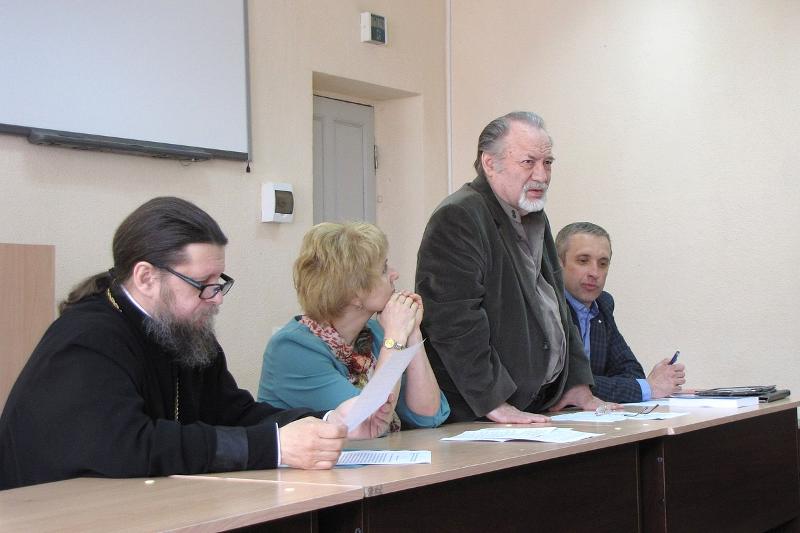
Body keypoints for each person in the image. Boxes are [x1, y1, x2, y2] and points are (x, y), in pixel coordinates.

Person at [0, 197, 393, 490]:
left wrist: (329, 423)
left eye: (219, 283)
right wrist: (274, 446)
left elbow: (233, 412)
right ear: (146, 277)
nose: (216, 298)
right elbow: (129, 445)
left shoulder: (186, 333)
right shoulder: (86, 339)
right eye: (202, 284)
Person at [415, 111, 609, 423]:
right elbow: (453, 322)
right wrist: (494, 402)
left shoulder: (534, 214)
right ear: (490, 163)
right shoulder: (459, 216)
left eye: (547, 163)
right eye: (528, 162)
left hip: (535, 407)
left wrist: (577, 383)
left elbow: (555, 306)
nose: (542, 175)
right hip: (481, 415)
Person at [258, 222, 449, 429]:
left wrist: (411, 331)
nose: (395, 274)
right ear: (354, 292)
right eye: (384, 269)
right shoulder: (292, 350)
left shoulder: (375, 335)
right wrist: (395, 337)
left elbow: (429, 415)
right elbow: (369, 422)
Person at [556, 222, 687, 403]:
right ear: (558, 263)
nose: (595, 273)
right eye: (583, 261)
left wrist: (643, 386)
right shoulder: (547, 307)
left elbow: (632, 372)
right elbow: (565, 383)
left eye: (603, 264)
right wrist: (647, 388)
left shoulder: (602, 306)